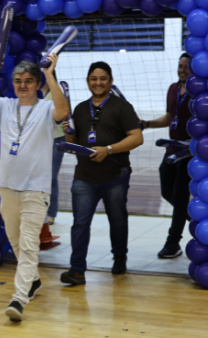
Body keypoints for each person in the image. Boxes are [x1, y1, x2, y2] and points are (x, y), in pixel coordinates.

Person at [0, 53, 69, 321]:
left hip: (36, 189)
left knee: (28, 245)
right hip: (7, 186)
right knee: (16, 241)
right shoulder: (5, 105)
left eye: (28, 81)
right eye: (18, 81)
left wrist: (49, 74)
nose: (23, 85)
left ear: (37, 84)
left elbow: (63, 112)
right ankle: (33, 281)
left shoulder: (46, 108)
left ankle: (19, 298)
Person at [60, 62, 144, 286]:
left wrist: (108, 150)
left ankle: (119, 256)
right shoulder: (80, 109)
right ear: (88, 81)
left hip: (115, 176)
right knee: (80, 224)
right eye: (94, 79)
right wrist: (68, 135)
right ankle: (77, 270)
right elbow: (72, 142)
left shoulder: (122, 107)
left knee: (117, 221)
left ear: (111, 81)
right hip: (84, 177)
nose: (98, 83)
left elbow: (137, 137)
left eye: (103, 78)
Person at [140, 53, 193, 259]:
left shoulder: (200, 92)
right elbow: (170, 117)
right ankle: (194, 218)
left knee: (180, 197)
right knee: (166, 192)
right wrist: (147, 124)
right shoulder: (173, 89)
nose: (182, 70)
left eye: (187, 66)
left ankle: (172, 243)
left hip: (189, 153)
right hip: (171, 151)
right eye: (180, 66)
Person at [42, 70, 66, 226]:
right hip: (40, 140)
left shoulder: (56, 93)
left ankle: (51, 213)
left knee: (51, 177)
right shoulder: (36, 94)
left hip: (56, 140)